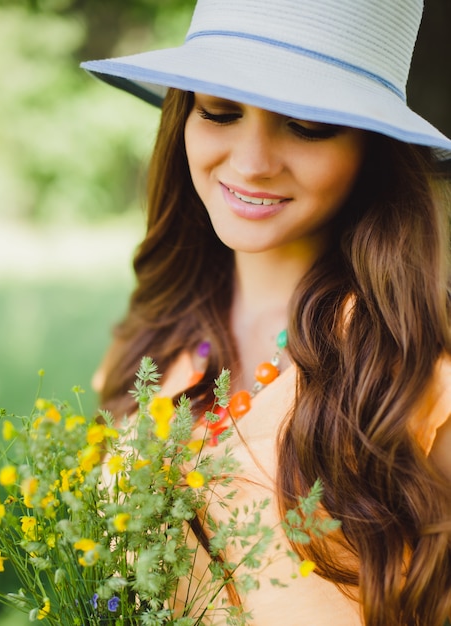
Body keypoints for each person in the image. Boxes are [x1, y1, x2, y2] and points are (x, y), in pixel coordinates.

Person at [82, 0, 451, 624]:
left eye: (307, 126)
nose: (252, 162)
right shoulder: (153, 338)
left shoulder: (414, 373)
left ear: (374, 150)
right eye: (221, 113)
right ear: (184, 120)